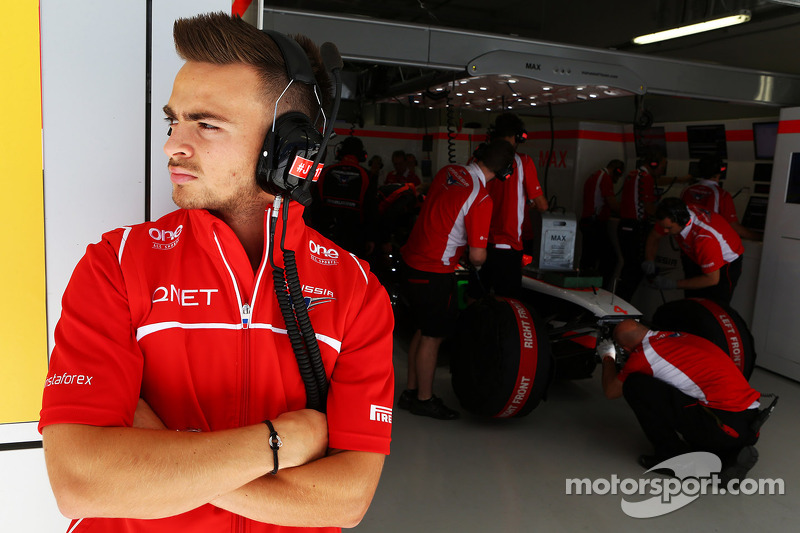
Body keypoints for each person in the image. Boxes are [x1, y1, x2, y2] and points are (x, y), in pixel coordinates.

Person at [39, 13, 394, 533]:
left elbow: (344, 502)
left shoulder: (357, 292)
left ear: (289, 148)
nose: (172, 146)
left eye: (205, 124)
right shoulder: (116, 264)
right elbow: (81, 482)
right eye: (173, 121)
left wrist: (158, 457)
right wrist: (279, 442)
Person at [398, 139, 515, 420]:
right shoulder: (482, 198)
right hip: (434, 271)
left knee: (421, 330)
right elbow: (477, 257)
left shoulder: (448, 171)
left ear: (478, 154)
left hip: (411, 263)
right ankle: (424, 399)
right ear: (505, 172)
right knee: (433, 337)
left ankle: (411, 391)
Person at [601, 319, 761, 482]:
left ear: (625, 348)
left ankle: (672, 457)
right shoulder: (676, 335)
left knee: (635, 385)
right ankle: (726, 457)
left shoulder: (643, 356)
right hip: (749, 420)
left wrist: (608, 356)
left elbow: (611, 391)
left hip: (724, 426)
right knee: (682, 389)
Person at [474, 113, 548, 298]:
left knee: (475, 297)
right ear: (518, 136)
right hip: (508, 247)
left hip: (478, 244)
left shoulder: (477, 160)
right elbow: (542, 205)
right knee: (508, 302)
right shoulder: (523, 162)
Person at [643, 197, 744, 305]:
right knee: (691, 302)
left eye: (669, 228)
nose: (665, 231)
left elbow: (712, 279)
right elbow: (654, 236)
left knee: (713, 307)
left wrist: (672, 284)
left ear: (682, 221)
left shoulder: (704, 238)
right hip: (697, 255)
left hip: (724, 264)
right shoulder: (671, 216)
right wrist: (649, 260)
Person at [305, 135, 378, 259]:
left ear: (339, 152)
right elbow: (371, 210)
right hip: (355, 237)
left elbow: (312, 202)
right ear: (362, 155)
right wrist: (371, 238)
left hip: (323, 235)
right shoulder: (367, 175)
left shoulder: (325, 172)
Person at [615, 150, 665, 301]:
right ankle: (622, 306)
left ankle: (618, 304)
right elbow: (649, 208)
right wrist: (665, 215)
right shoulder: (646, 178)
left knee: (629, 267)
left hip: (624, 225)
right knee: (635, 269)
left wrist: (681, 179)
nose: (663, 170)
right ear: (653, 164)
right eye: (663, 166)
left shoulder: (633, 174)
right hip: (635, 227)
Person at [682, 154, 761, 241]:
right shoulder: (722, 195)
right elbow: (734, 226)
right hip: (709, 242)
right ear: (720, 172)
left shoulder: (686, 190)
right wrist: (760, 237)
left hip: (687, 242)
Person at [579, 159, 624, 287]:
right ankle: (599, 287)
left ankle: (586, 286)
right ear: (616, 171)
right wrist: (626, 212)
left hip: (588, 221)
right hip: (595, 223)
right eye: (619, 175)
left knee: (589, 258)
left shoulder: (595, 175)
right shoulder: (605, 178)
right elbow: (612, 203)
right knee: (610, 258)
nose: (618, 179)